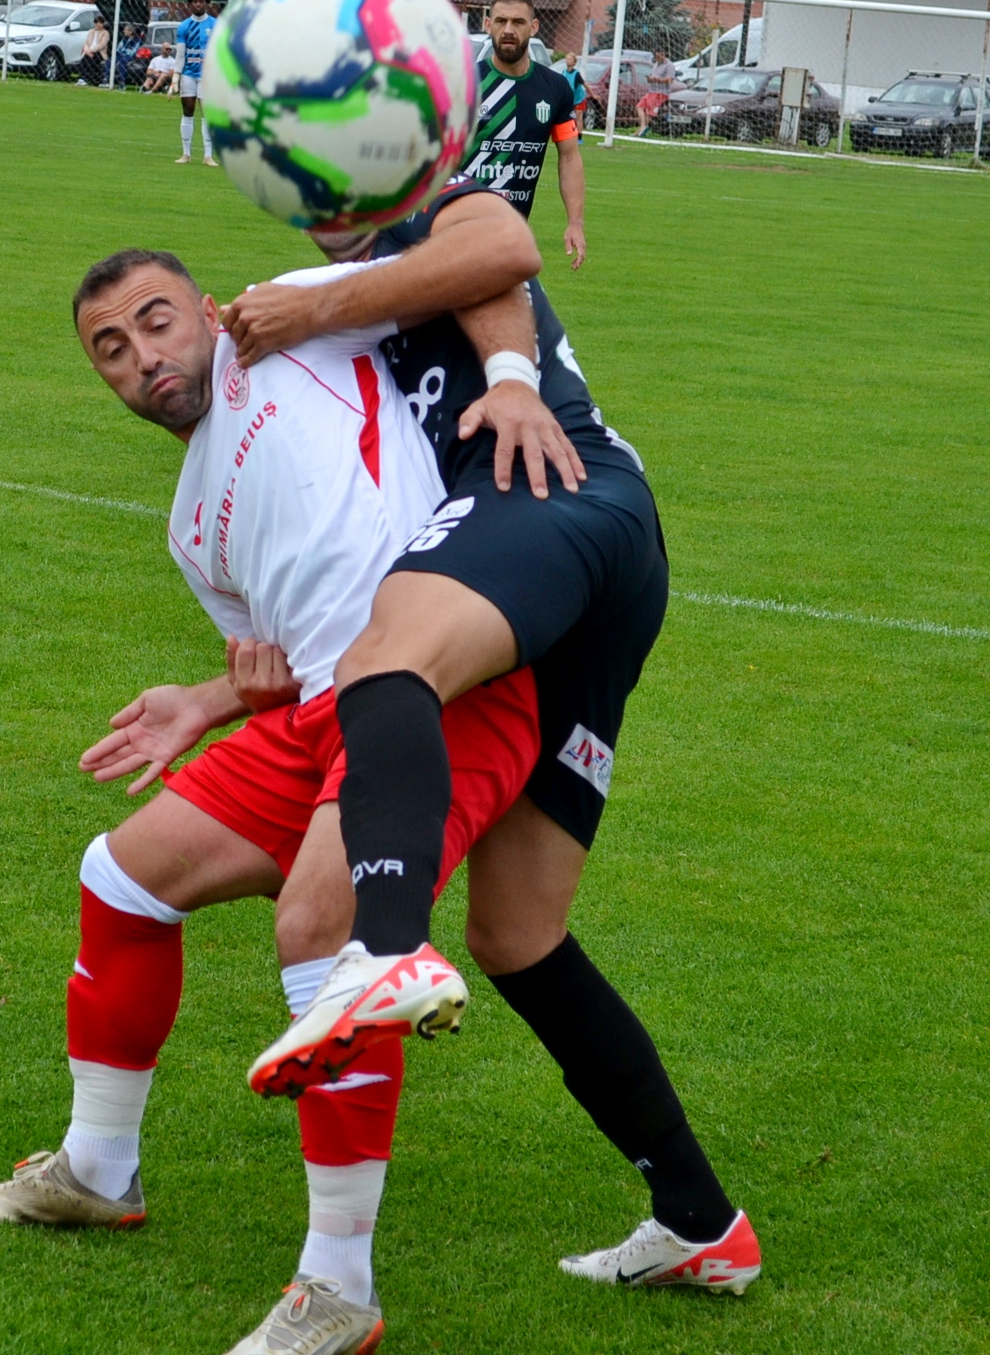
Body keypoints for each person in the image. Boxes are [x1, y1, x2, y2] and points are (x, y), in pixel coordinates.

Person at [0, 249, 544, 1355]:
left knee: (318, 926)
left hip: (438, 684)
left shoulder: (291, 334)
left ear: (207, 312)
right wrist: (213, 697)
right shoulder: (190, 528)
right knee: (120, 876)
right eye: (110, 351)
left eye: (156, 321)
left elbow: (493, 250)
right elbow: (281, 655)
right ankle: (96, 1170)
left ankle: (339, 1290)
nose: (142, 358)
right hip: (322, 712)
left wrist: (512, 374)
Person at [225, 180, 760, 1295]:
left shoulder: (436, 213)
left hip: (552, 493)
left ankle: (381, 949)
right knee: (520, 935)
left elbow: (502, 246)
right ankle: (701, 1221)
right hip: (595, 570)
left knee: (389, 659)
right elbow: (486, 286)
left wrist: (500, 377)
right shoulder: (362, 277)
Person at [463, 0, 588, 269]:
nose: (508, 30)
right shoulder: (464, 84)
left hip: (512, 233)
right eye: (500, 21)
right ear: (487, 25)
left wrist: (575, 223)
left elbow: (569, 157)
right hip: (459, 227)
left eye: (518, 22)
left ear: (533, 27)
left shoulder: (555, 89)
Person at [175, 0, 219, 166]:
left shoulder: (215, 25)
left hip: (207, 76)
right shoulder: (184, 26)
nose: (198, 4)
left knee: (207, 114)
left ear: (207, 3)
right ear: (190, 4)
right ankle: (186, 154)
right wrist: (175, 78)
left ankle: (208, 156)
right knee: (188, 111)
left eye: (201, 1)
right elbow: (180, 54)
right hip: (188, 74)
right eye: (195, 1)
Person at [78, 13, 110, 87]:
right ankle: (82, 78)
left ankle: (85, 78)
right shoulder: (91, 31)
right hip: (88, 51)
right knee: (84, 61)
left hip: (99, 52)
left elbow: (102, 44)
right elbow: (86, 42)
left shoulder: (105, 33)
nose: (98, 24)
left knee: (91, 60)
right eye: (96, 22)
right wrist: (87, 50)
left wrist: (92, 50)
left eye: (100, 23)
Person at [561, 50, 589, 129]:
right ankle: (571, 132)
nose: (568, 61)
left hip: (579, 99)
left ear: (574, 63)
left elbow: (585, 84)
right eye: (567, 59)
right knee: (569, 117)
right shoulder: (563, 73)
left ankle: (579, 138)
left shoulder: (576, 74)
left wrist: (593, 94)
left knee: (578, 118)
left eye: (570, 59)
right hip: (570, 100)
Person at [114, 23, 142, 88]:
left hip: (130, 57)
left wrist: (123, 50)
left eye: (126, 30)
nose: (124, 31)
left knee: (122, 62)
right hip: (121, 55)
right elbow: (118, 48)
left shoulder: (137, 40)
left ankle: (122, 82)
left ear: (131, 31)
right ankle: (105, 79)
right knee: (109, 60)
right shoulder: (124, 39)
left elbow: (133, 52)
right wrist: (125, 50)